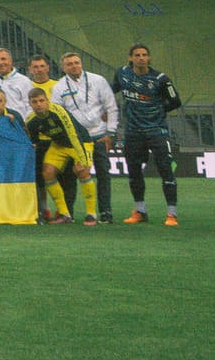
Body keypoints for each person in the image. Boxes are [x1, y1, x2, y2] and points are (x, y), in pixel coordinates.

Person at [115, 44, 181, 226]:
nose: (141, 58)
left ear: (149, 58)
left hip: (156, 131)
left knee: (166, 170)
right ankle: (140, 211)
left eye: (144, 55)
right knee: (134, 172)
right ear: (130, 58)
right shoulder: (122, 74)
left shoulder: (160, 79)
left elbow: (176, 101)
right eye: (137, 55)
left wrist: (158, 111)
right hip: (133, 132)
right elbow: (110, 91)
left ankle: (171, 214)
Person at [51, 52, 117, 223]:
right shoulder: (59, 87)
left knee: (103, 174)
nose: (74, 66)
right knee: (70, 176)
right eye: (69, 64)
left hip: (98, 135)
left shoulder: (98, 80)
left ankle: (105, 212)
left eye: (76, 62)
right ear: (63, 67)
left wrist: (111, 132)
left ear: (81, 63)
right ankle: (69, 213)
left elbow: (111, 106)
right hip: (76, 139)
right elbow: (58, 113)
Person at [26, 87, 98, 226]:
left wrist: (83, 160)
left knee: (82, 171)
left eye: (41, 100)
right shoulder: (31, 120)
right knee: (47, 173)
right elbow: (33, 142)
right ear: (30, 103)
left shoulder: (58, 112)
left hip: (81, 142)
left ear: (47, 101)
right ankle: (65, 214)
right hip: (59, 145)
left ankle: (91, 214)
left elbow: (73, 134)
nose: (39, 104)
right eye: (35, 102)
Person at [0, 48, 36, 120]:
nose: (1, 62)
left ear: (10, 60)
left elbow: (30, 106)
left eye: (3, 59)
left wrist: (23, 122)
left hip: (17, 123)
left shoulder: (24, 81)